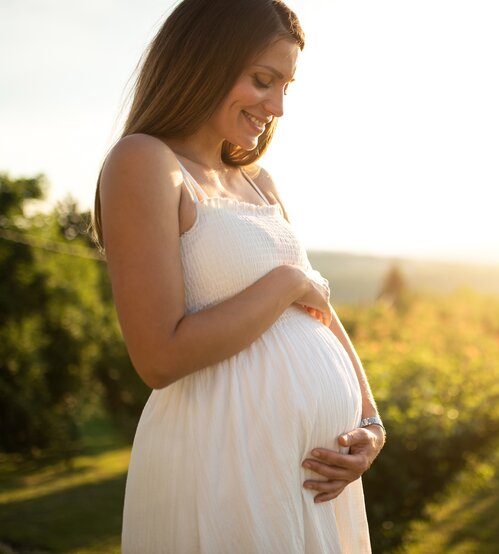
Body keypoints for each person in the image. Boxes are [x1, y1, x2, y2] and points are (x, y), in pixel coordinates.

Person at [93, 0, 385, 551]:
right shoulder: (145, 161)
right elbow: (158, 356)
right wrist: (284, 284)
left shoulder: (258, 181)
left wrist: (371, 423)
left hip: (311, 479)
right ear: (203, 61)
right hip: (225, 464)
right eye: (262, 80)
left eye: (286, 87)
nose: (277, 106)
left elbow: (318, 307)